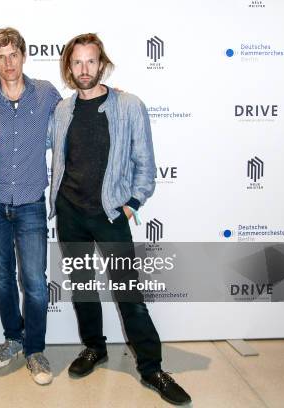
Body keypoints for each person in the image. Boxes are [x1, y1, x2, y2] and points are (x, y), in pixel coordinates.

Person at [49, 33, 191, 405]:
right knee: (83, 287)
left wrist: (131, 203)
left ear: (103, 64)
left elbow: (146, 165)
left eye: (91, 61)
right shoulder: (62, 110)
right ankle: (95, 348)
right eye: (77, 62)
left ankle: (151, 367)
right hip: (70, 214)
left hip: (111, 215)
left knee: (129, 294)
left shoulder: (129, 105)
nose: (84, 69)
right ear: (69, 67)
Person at [0, 27, 61, 385]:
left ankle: (35, 350)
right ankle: (13, 338)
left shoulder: (46, 93)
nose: (8, 63)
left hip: (29, 204)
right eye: (1, 56)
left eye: (14, 54)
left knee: (36, 284)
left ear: (24, 55)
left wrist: (110, 96)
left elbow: (76, 113)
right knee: (2, 279)